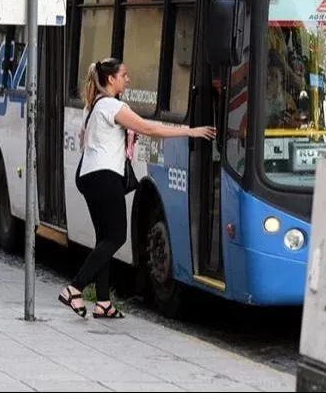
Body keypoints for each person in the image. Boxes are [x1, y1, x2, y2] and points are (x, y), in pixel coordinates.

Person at [58, 58, 215, 319]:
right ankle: (75, 288)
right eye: (124, 75)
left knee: (104, 239)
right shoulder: (112, 106)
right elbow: (149, 127)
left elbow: (85, 138)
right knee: (116, 237)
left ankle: (103, 303)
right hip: (105, 177)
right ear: (111, 79)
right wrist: (191, 132)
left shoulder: (93, 105)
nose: (127, 79)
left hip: (88, 176)